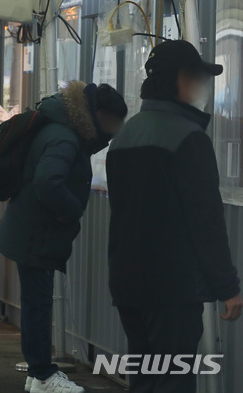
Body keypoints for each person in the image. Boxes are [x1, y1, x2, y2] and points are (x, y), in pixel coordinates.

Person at [106, 40, 242, 393]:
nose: (203, 88)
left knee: (145, 378)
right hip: (171, 288)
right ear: (180, 80)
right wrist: (228, 287)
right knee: (174, 381)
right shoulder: (188, 138)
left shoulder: (124, 136)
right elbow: (205, 220)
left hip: (127, 284)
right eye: (199, 78)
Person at [0, 81, 127, 393]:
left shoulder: (59, 127)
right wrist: (70, 211)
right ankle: (43, 375)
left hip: (30, 229)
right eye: (111, 123)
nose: (111, 131)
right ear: (98, 115)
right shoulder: (65, 138)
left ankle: (37, 372)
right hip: (37, 232)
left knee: (35, 302)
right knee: (38, 304)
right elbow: (48, 182)